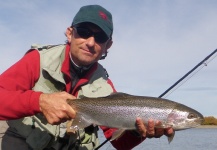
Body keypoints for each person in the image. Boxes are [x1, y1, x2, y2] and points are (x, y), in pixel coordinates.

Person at [0, 5, 173, 150]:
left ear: (108, 46)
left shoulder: (105, 86)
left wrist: (137, 131)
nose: (90, 42)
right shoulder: (38, 60)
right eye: (83, 32)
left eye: (100, 37)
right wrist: (39, 102)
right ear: (69, 33)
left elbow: (120, 143)